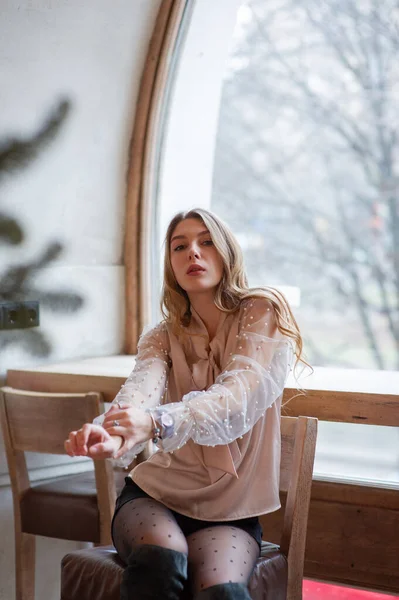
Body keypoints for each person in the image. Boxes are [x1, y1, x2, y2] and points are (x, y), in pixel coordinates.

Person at [65, 208, 305, 600]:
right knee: (160, 563)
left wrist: (156, 423)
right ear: (171, 265)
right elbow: (139, 390)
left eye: (206, 241)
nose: (193, 252)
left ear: (227, 252)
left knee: (223, 594)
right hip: (155, 498)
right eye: (180, 246)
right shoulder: (161, 335)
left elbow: (235, 396)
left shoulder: (261, 311)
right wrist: (113, 433)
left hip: (232, 509)